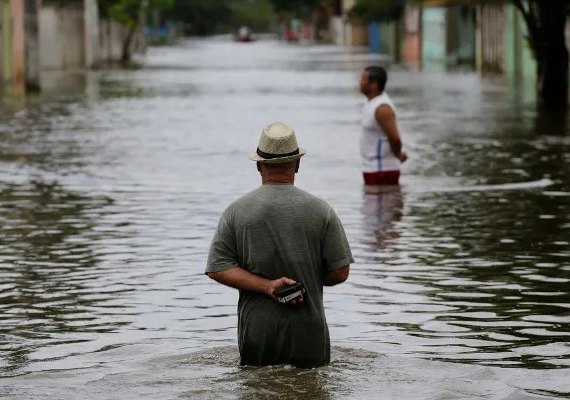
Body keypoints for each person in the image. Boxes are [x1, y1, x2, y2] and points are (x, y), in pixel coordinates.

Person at [206, 122, 354, 368]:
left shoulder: (236, 212)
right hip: (308, 334)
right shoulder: (322, 211)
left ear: (258, 165)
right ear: (297, 164)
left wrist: (268, 286)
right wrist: (307, 278)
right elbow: (340, 271)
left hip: (257, 335)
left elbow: (217, 268)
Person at [359, 65, 407, 185]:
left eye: (363, 79)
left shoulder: (382, 109)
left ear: (374, 84)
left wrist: (398, 155)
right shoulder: (369, 102)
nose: (360, 82)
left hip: (383, 170)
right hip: (372, 168)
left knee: (386, 203)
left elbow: (395, 139)